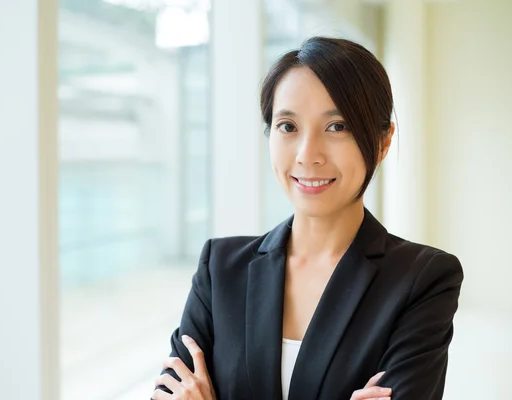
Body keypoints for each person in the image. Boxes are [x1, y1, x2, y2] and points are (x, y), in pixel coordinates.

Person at [151, 37, 463, 400]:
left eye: (337, 126)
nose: (307, 154)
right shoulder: (219, 269)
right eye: (288, 126)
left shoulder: (422, 280)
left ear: (383, 141)